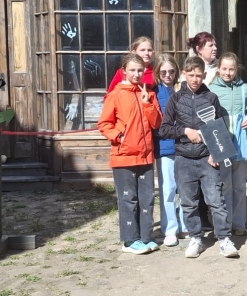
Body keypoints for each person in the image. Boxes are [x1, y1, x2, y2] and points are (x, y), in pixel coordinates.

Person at [158, 56, 239, 259]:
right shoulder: (175, 99)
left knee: (216, 201)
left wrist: (215, 152)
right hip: (183, 159)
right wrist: (185, 131)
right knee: (188, 203)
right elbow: (164, 129)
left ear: (204, 75)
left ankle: (224, 239)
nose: (195, 79)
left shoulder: (211, 98)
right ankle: (195, 238)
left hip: (207, 159)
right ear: (184, 74)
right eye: (191, 75)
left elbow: (219, 128)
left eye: (198, 75)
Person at [97, 54, 163, 255]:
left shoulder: (148, 93)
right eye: (132, 70)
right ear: (124, 71)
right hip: (124, 156)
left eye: (140, 70)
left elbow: (156, 123)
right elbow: (104, 123)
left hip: (145, 155)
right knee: (128, 199)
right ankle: (129, 240)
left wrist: (147, 103)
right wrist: (119, 137)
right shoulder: (116, 94)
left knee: (147, 198)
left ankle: (145, 237)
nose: (136, 74)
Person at [208, 52, 247, 237]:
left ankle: (239, 223)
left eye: (231, 69)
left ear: (237, 69)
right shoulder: (211, 89)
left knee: (239, 184)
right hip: (221, 141)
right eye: (224, 69)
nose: (227, 73)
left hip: (240, 143)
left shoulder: (244, 88)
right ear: (218, 68)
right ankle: (224, 224)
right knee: (225, 185)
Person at [153, 54, 186, 247]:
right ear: (158, 72)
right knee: (168, 190)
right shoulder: (154, 92)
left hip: (184, 146)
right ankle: (170, 229)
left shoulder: (182, 90)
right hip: (164, 146)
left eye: (171, 71)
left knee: (185, 189)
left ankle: (184, 225)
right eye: (163, 72)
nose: (167, 75)